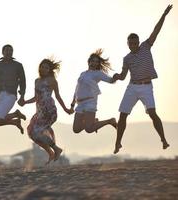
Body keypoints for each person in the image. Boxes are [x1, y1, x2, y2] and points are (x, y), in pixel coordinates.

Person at [112, 5, 172, 154]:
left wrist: (164, 15)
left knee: (152, 113)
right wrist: (117, 77)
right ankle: (118, 143)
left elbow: (155, 31)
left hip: (146, 87)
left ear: (138, 42)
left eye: (134, 42)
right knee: (123, 115)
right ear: (128, 44)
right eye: (130, 43)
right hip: (132, 87)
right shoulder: (127, 58)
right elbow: (123, 75)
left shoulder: (146, 46)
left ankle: (163, 140)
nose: (132, 45)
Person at [21, 58, 71, 164]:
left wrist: (66, 109)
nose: (43, 69)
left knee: (36, 132)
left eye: (46, 68)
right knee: (31, 132)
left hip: (49, 111)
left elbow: (58, 97)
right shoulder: (36, 81)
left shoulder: (52, 80)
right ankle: (51, 152)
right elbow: (36, 97)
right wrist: (25, 102)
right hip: (40, 111)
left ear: (49, 70)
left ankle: (55, 149)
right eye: (42, 67)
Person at [70, 49, 117, 134]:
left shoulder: (98, 73)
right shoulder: (83, 74)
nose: (94, 63)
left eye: (96, 62)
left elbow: (111, 80)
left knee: (89, 129)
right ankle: (93, 121)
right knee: (76, 129)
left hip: (90, 102)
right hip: (80, 103)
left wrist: (117, 77)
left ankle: (110, 121)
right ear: (89, 62)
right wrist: (72, 104)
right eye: (93, 61)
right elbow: (77, 89)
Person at [0, 44, 26, 134]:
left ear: (12, 52)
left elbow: (23, 81)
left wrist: (22, 96)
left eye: (10, 50)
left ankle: (15, 115)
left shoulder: (18, 65)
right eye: (6, 50)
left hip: (10, 94)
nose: (8, 52)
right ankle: (15, 119)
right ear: (2, 52)